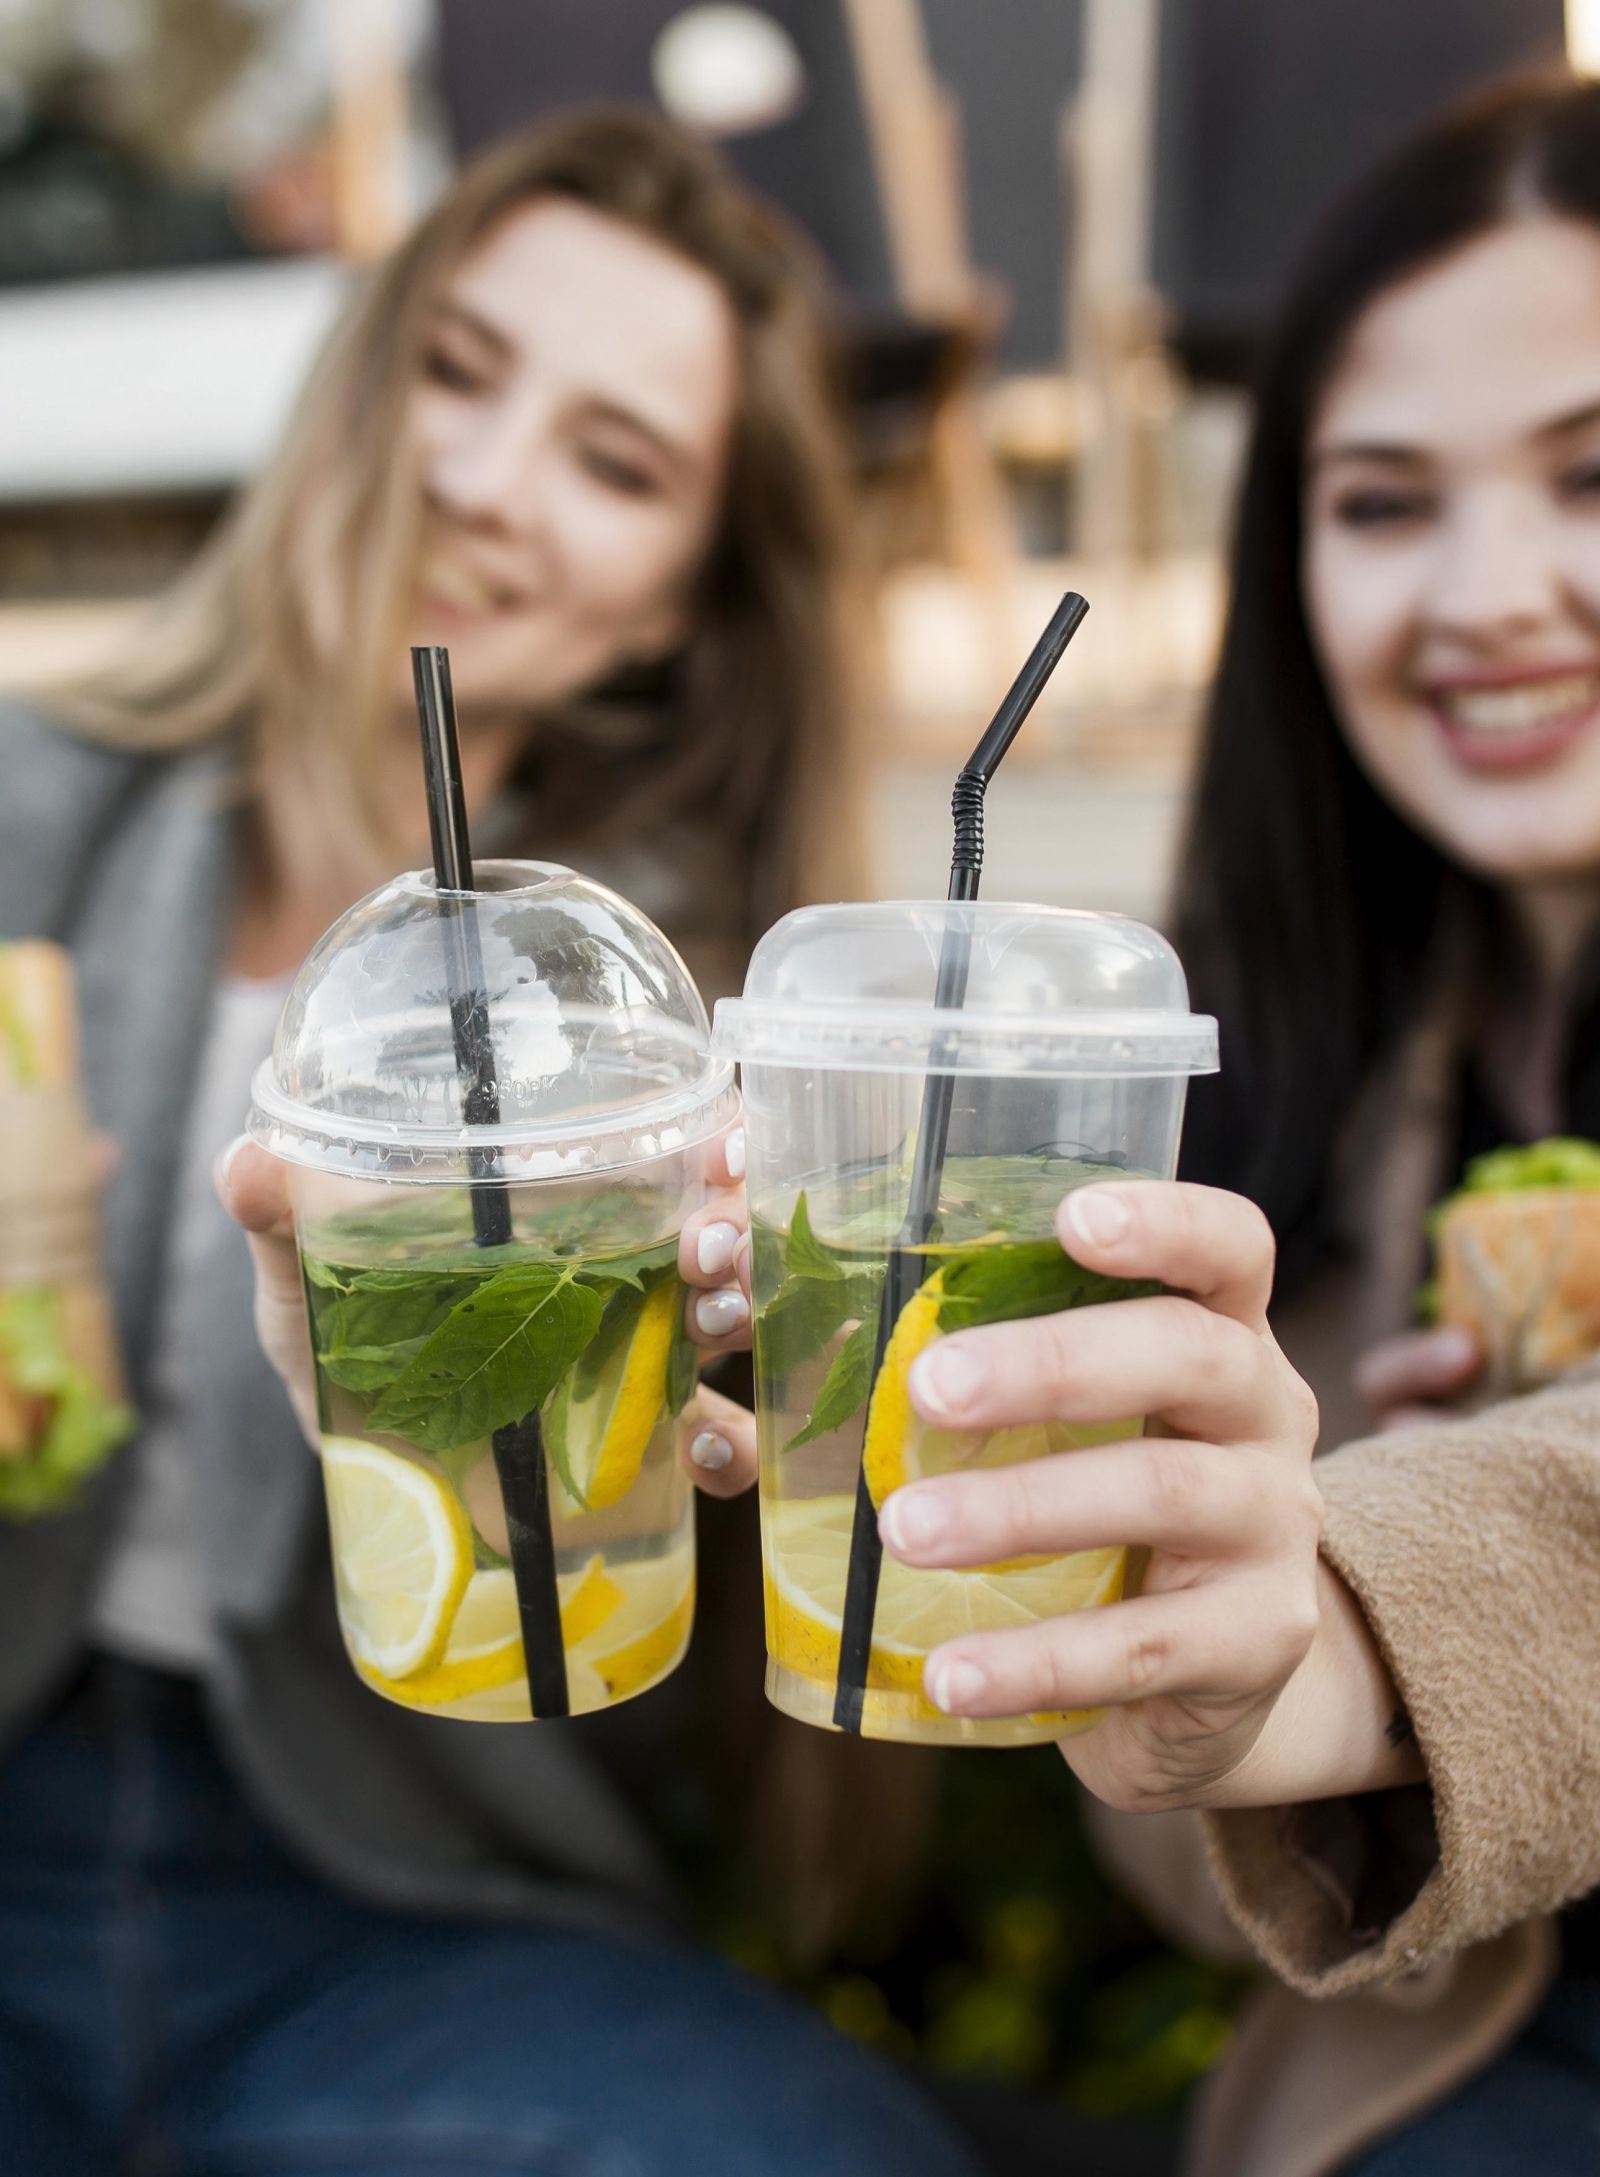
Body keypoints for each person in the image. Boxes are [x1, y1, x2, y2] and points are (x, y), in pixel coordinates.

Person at [341, 69, 1598, 2177]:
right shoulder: (1345, 1059)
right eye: (1380, 501)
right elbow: (1175, 1840)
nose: (1481, 590)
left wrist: (1360, 1611)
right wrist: (1203, 1653)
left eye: (1586, 476)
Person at [0, 107, 977, 2176]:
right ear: (358, 383)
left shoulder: (683, 1026)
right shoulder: (25, 819)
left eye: (613, 464)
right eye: (455, 369)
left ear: (671, 611)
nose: (481, 480)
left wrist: (742, 1361)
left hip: (397, 1900)